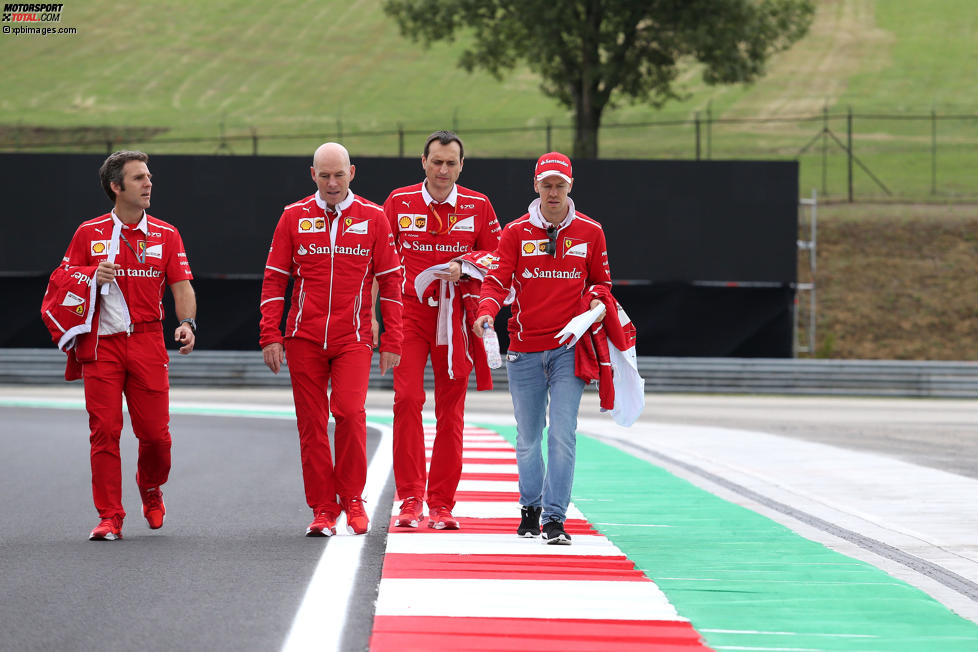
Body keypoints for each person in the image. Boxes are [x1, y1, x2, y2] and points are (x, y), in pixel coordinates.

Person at [40, 150, 197, 541]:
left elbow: (181, 286)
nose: (148, 184)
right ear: (116, 187)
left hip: (147, 342)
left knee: (156, 436)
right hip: (102, 346)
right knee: (104, 432)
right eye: (139, 178)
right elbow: (62, 280)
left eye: (148, 177)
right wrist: (93, 275)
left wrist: (188, 323)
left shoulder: (167, 233)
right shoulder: (87, 232)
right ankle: (110, 516)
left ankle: (150, 487)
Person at [260, 142, 403, 537]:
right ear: (313, 175)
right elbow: (274, 278)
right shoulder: (293, 216)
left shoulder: (374, 218)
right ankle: (323, 507)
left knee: (349, 413)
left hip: (353, 337)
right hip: (302, 337)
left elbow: (392, 281)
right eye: (324, 175)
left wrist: (393, 338)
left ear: (352, 173)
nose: (332, 182)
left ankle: (353, 498)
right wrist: (270, 334)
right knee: (311, 424)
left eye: (339, 174)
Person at [473, 152, 611, 545]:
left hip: (570, 348)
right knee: (529, 436)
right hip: (525, 349)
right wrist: (485, 312)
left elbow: (602, 283)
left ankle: (555, 518)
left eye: (560, 185)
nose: (553, 192)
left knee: (563, 434)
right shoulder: (515, 232)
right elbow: (496, 282)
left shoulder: (591, 231)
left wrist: (599, 303)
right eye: (547, 185)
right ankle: (529, 506)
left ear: (570, 187)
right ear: (536, 186)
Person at [382, 131, 500, 530]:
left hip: (457, 321)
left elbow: (498, 256)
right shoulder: (399, 202)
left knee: (451, 413)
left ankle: (442, 504)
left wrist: (465, 265)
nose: (443, 169)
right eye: (437, 161)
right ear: (423, 162)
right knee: (407, 400)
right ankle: (411, 499)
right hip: (410, 315)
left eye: (451, 163)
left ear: (461, 166)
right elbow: (379, 257)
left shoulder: (478, 204)